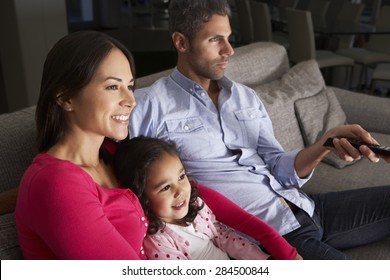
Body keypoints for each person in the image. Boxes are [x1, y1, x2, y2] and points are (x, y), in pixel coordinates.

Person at [128, 0, 390, 259]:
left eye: (229, 38)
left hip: (304, 205)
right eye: (215, 40)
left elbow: (278, 165)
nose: (229, 50)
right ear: (181, 42)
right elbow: (119, 174)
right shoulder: (149, 106)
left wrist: (325, 143)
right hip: (269, 236)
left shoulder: (244, 96)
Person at [15, 30, 299, 260]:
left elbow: (201, 198)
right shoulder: (57, 183)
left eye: (130, 86)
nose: (130, 100)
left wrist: (282, 249)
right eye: (113, 86)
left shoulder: (114, 154)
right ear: (65, 98)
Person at [114, 136, 301, 260]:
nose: (180, 191)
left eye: (181, 177)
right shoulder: (158, 241)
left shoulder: (196, 206)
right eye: (165, 187)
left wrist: (263, 260)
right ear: (142, 197)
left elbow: (221, 235)